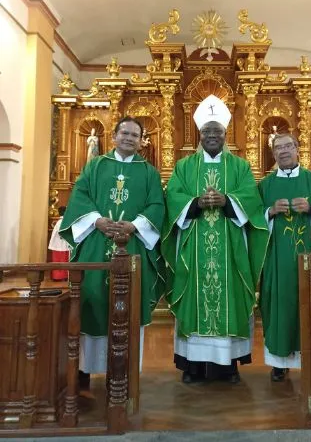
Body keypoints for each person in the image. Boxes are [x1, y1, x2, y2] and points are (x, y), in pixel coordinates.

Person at [161, 95, 269, 384]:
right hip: (193, 247)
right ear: (200, 134)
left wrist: (228, 201)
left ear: (225, 134)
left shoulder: (240, 167)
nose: (212, 136)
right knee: (193, 300)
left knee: (230, 300)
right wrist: (195, 203)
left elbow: (252, 199)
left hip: (230, 247)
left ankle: (228, 365)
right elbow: (173, 196)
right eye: (207, 131)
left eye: (217, 131)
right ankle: (192, 367)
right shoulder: (184, 167)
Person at [60, 116, 164, 392]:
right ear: (115, 136)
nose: (129, 138)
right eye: (125, 133)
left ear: (142, 141)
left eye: (135, 135)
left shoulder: (149, 172)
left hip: (132, 244)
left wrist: (134, 225)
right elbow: (79, 195)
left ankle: (124, 370)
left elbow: (157, 205)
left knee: (127, 305)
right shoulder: (95, 165)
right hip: (96, 242)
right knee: (90, 300)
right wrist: (96, 220)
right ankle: (83, 368)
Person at [258, 133, 311, 382]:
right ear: (273, 154)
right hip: (277, 262)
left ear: (297, 149)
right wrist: (269, 212)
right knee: (278, 306)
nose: (283, 151)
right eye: (277, 148)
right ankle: (280, 362)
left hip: (309, 259)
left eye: (287, 146)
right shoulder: (265, 185)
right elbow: (252, 219)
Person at [48, 206, 70, 281]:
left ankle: (61, 276)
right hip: (61, 245)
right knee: (61, 261)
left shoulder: (60, 222)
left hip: (59, 245)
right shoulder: (62, 222)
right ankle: (59, 277)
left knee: (61, 260)